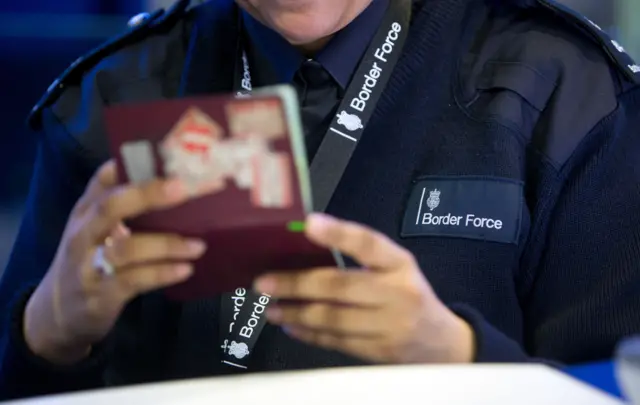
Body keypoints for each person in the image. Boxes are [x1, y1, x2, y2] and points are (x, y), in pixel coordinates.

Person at [1, 0, 639, 399]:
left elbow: (617, 385)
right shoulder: (107, 100)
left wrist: (461, 359)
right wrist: (48, 334)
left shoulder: (567, 92)